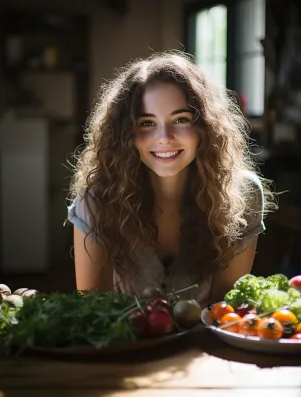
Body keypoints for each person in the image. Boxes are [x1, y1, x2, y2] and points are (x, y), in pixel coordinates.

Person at [66, 51, 276, 304]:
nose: (164, 137)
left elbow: (224, 312)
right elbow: (94, 313)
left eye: (180, 119)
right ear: (125, 134)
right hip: (125, 343)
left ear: (205, 127)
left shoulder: (244, 194)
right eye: (146, 123)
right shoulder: (97, 199)